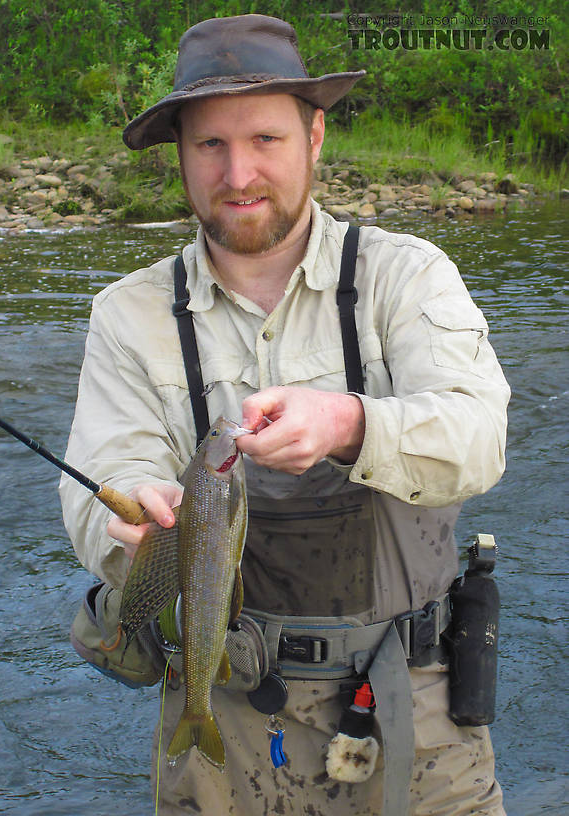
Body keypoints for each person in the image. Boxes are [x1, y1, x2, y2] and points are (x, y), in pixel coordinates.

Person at [60, 14, 510, 816]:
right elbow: (103, 480)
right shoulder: (126, 315)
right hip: (222, 718)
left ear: (315, 136)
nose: (239, 172)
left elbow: (480, 442)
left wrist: (350, 424)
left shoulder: (407, 277)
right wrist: (129, 519)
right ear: (180, 156)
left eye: (265, 138)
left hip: (421, 714)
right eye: (210, 145)